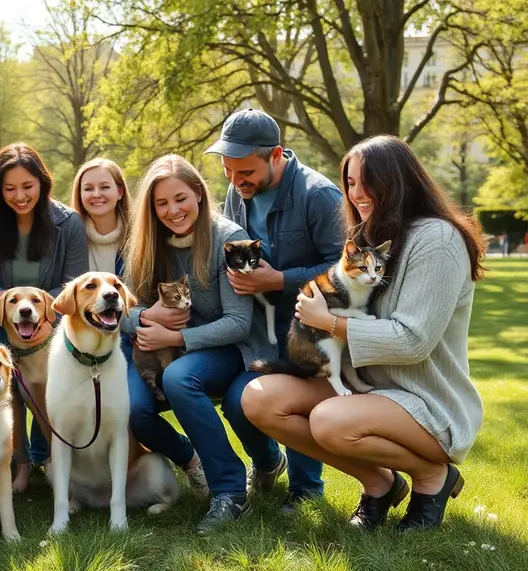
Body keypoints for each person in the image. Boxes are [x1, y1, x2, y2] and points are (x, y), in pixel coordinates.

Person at [242, 135, 486, 531]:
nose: (356, 194)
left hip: (427, 401)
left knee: (329, 420)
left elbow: (413, 341)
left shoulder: (438, 241)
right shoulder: (370, 237)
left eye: (366, 181)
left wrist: (330, 322)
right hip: (370, 385)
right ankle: (380, 484)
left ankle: (432, 478)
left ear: (398, 181)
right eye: (351, 182)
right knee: (260, 399)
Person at [121, 154, 277, 534]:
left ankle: (229, 492)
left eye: (181, 198)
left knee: (178, 378)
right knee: (133, 408)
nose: (173, 210)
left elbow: (239, 323)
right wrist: (146, 317)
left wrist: (175, 336)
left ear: (198, 195)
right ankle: (194, 462)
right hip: (163, 351)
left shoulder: (231, 239)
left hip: (232, 349)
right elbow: (121, 311)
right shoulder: (145, 245)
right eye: (161, 203)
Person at [204, 108, 344, 512]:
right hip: (257, 321)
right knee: (240, 400)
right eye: (228, 171)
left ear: (277, 155)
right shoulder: (237, 192)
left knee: (298, 403)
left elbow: (342, 269)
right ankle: (268, 463)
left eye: (244, 171)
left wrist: (279, 279)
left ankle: (306, 491)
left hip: (307, 324)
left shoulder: (319, 195)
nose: (235, 181)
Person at [0, 142, 89, 492]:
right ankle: (21, 465)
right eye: (9, 189)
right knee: (11, 397)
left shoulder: (68, 223)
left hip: (52, 326)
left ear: (42, 183)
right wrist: (10, 304)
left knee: (50, 398)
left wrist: (41, 312)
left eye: (27, 186)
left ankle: (61, 462)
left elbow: (73, 283)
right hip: (7, 326)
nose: (19, 196)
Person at [69, 157, 133, 357]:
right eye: (88, 188)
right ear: (79, 194)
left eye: (104, 187)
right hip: (84, 345)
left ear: (120, 191)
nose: (96, 194)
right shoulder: (69, 237)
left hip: (134, 341)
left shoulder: (140, 236)